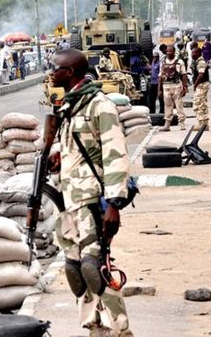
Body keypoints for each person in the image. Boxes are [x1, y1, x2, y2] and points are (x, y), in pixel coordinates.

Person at [49, 49, 133, 337]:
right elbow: (70, 147)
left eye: (55, 68)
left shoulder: (100, 106)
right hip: (68, 201)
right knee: (75, 272)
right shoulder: (68, 107)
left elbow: (115, 156)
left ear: (70, 72)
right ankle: (94, 329)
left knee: (94, 269)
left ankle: (121, 330)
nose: (51, 73)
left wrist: (114, 204)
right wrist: (55, 156)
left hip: (91, 201)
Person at [158, 46, 188, 131]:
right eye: (167, 51)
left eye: (170, 51)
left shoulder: (179, 62)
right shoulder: (163, 62)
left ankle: (182, 123)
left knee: (179, 105)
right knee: (167, 106)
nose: (168, 53)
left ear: (174, 52)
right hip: (166, 86)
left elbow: (184, 75)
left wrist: (185, 87)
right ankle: (167, 125)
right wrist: (159, 89)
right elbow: (160, 76)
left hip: (176, 86)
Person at [191, 46, 210, 131]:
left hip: (201, 85)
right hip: (202, 84)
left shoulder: (201, 62)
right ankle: (204, 125)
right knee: (202, 104)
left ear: (198, 53)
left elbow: (201, 75)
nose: (192, 54)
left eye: (194, 52)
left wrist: (195, 85)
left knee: (198, 104)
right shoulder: (197, 61)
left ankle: (202, 124)